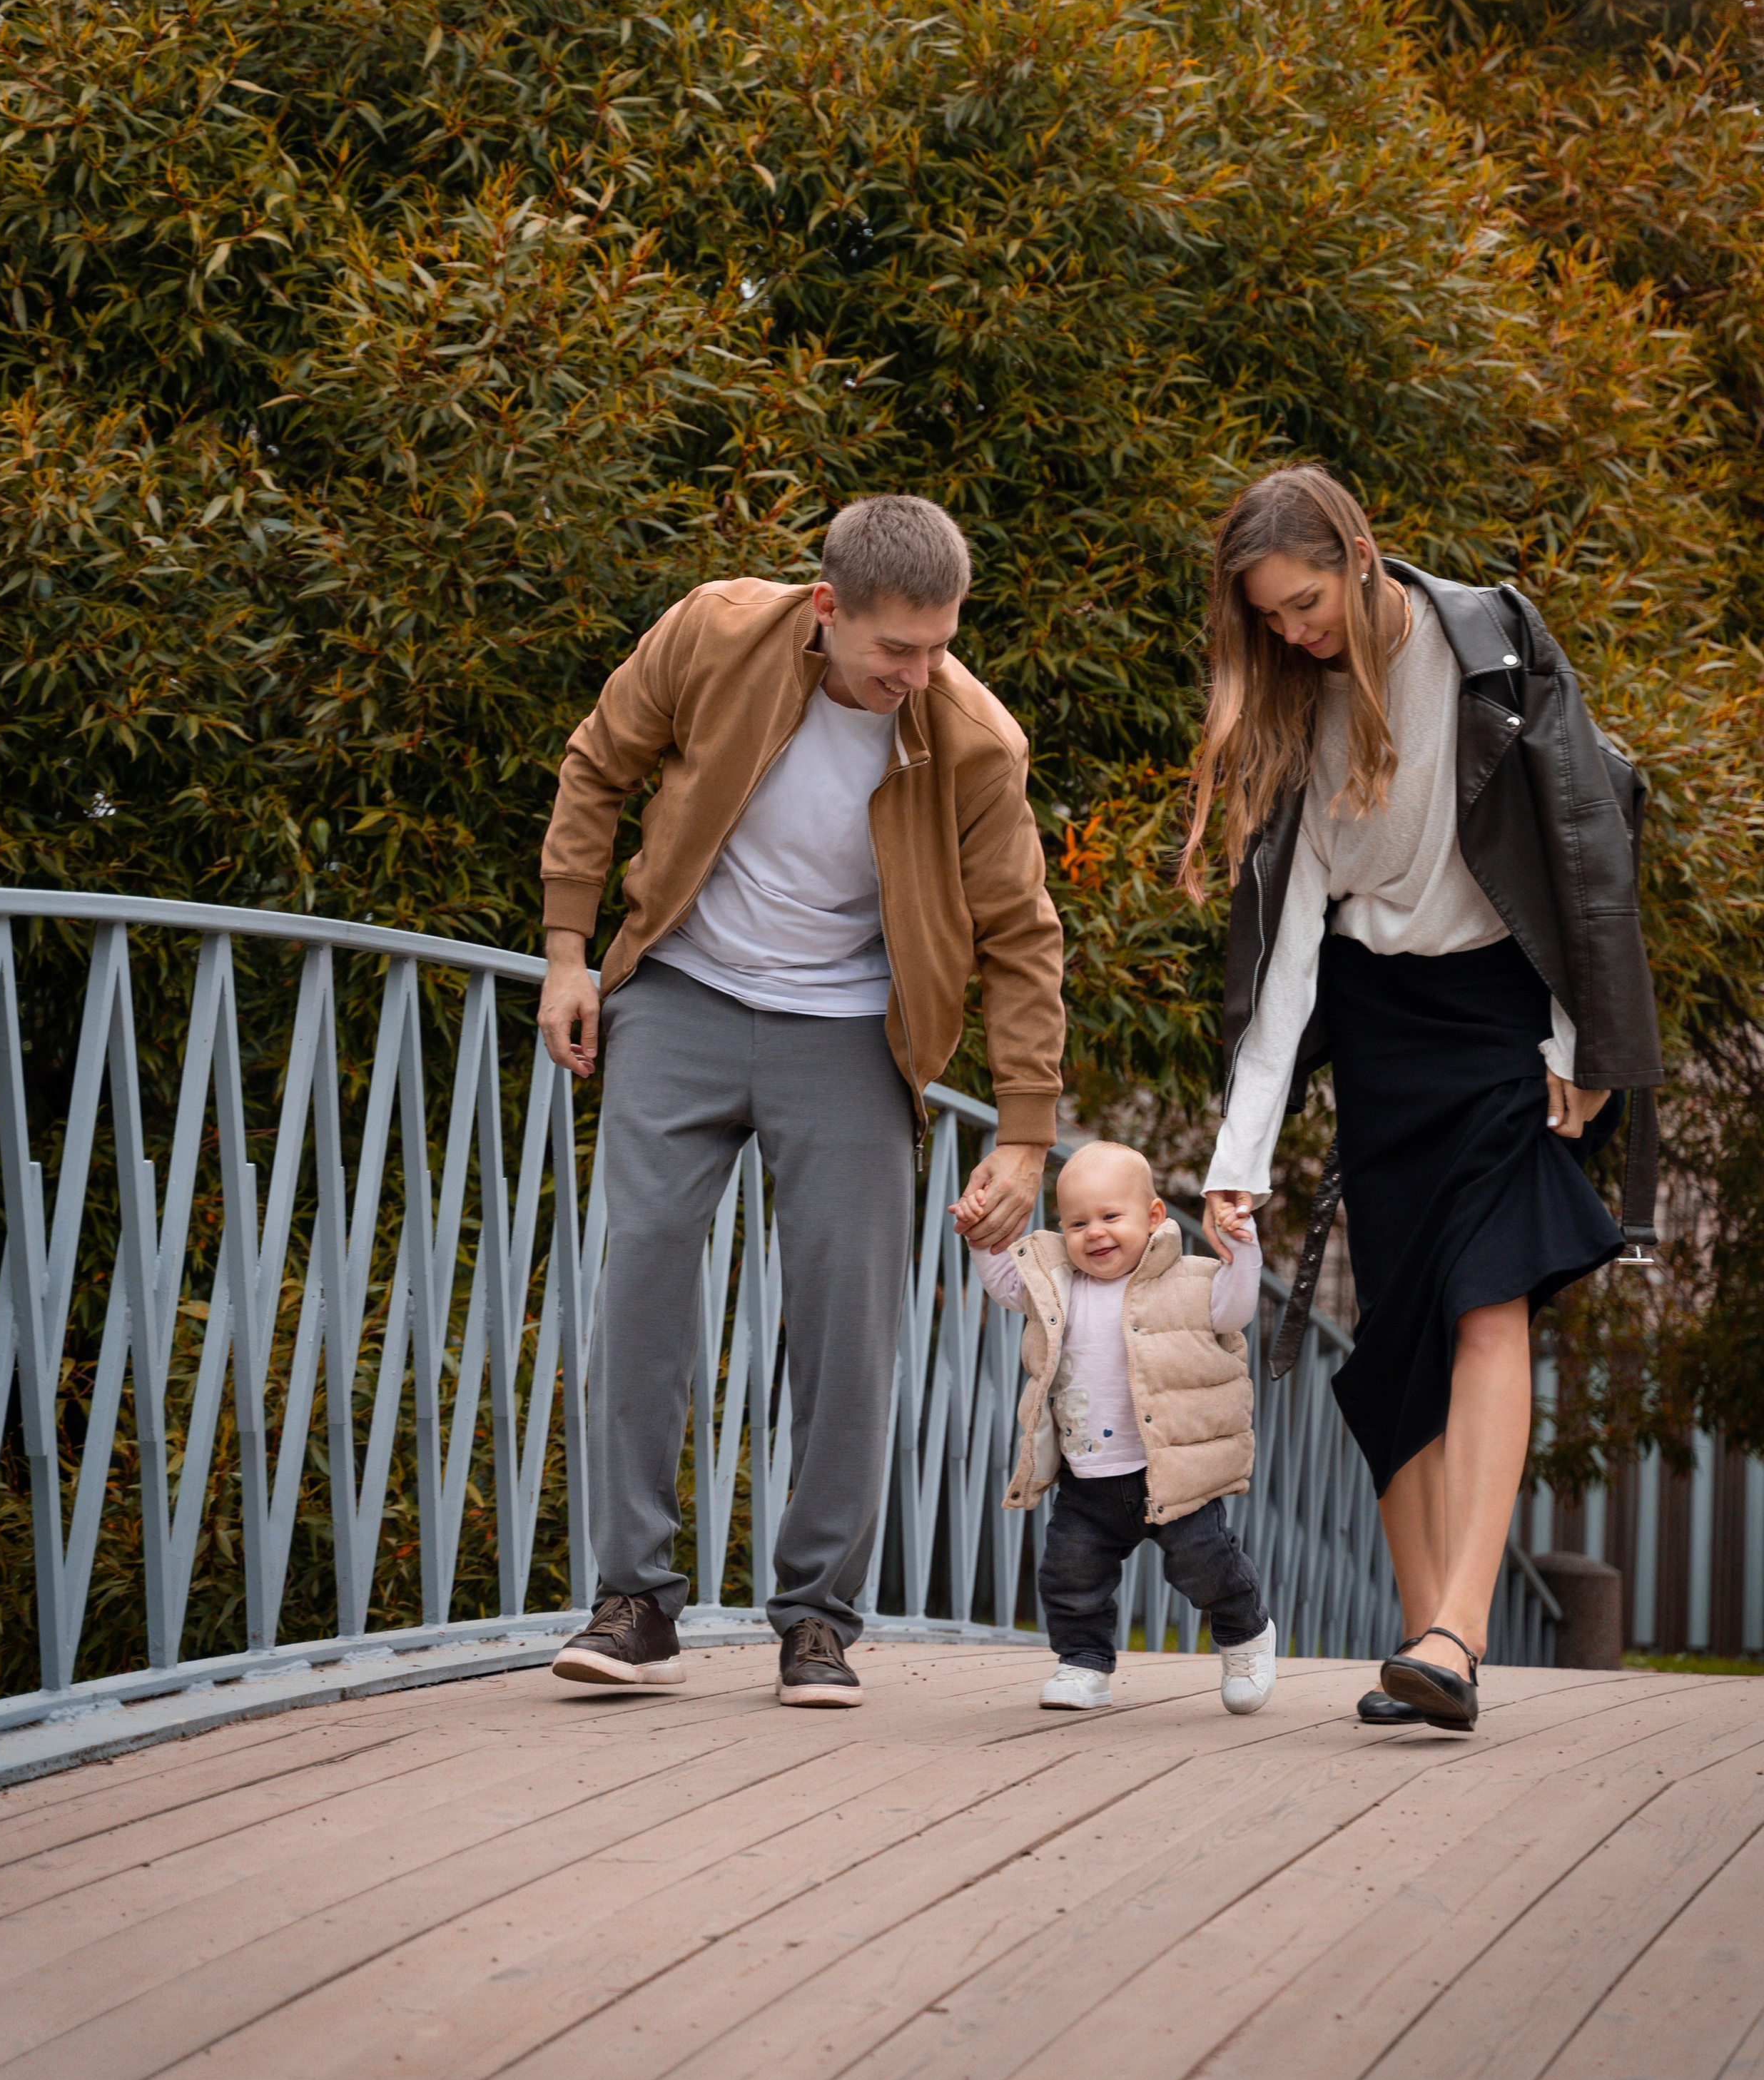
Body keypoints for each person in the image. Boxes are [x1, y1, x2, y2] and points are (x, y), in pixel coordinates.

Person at [537, 494, 1065, 1708]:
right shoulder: (713, 634)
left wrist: (1028, 1129)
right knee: (645, 1281)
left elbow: (1022, 936)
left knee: (847, 1322)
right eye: (896, 648)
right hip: (681, 991)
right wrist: (570, 951)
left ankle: (818, 1618)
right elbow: (597, 761)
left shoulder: (974, 737)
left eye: (940, 643)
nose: (919, 670)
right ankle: (632, 1602)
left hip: (851, 1033)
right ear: (828, 607)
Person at [1180, 465, 1662, 1732]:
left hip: (1503, 1018)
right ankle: (1423, 1644)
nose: (1293, 631)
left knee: (1486, 1299)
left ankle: (1459, 1628)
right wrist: (1244, 1153)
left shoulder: (1488, 642)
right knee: (1398, 1339)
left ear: (1355, 548)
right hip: (1385, 1040)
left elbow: (1580, 838)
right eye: (1269, 617)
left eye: (1304, 600)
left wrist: (1579, 1037)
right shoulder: (1297, 712)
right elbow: (1286, 955)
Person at [956, 1142, 1275, 1714]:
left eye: (1110, 1217)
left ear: (1154, 1218)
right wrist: (984, 1236)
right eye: (1077, 1223)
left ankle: (1245, 1633)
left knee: (1205, 1566)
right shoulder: (1060, 1286)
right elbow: (1009, 1287)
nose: (1094, 1234)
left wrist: (1242, 1246)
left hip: (1173, 1471)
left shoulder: (1191, 1280)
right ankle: (1083, 1665)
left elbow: (1236, 1311)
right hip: (1089, 1478)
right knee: (1070, 1576)